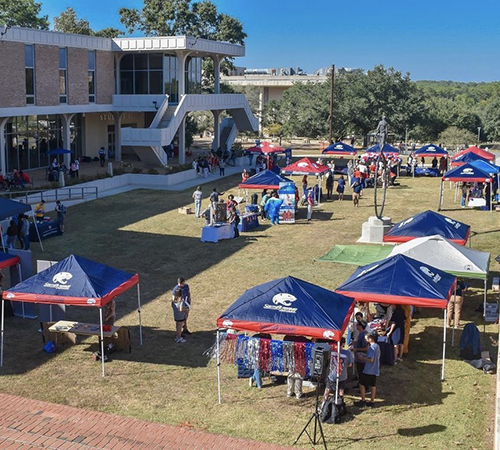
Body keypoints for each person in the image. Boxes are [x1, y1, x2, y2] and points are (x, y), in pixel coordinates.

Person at [323, 338, 353, 402]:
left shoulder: (331, 352)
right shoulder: (347, 353)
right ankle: (340, 404)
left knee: (327, 389)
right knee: (341, 390)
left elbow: (328, 363)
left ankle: (323, 403)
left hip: (332, 375)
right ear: (343, 344)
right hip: (343, 375)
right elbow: (350, 365)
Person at [355, 333, 380, 407]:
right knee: (373, 385)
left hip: (369, 369)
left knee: (361, 383)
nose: (366, 340)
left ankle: (363, 400)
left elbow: (371, 359)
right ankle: (372, 400)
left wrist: (362, 358)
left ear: (370, 339)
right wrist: (365, 355)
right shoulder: (377, 346)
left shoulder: (371, 348)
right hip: (375, 369)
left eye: (367, 338)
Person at [284, 334, 310, 399]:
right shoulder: (302, 339)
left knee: (291, 375)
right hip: (299, 359)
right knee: (298, 375)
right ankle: (298, 394)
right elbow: (311, 343)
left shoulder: (287, 337)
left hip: (290, 358)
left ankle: (289, 392)